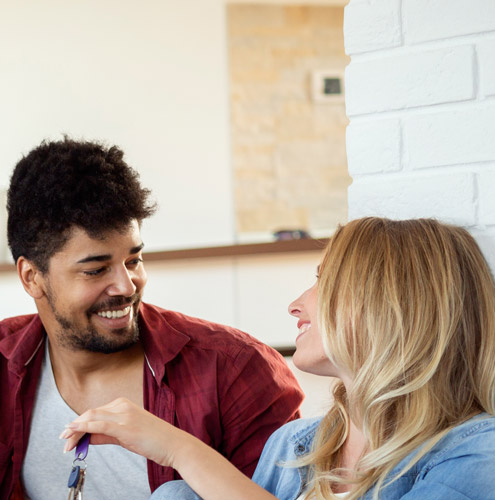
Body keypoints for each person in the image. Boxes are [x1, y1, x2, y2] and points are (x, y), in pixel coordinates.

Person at [62, 217, 495, 499]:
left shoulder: (478, 454)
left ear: (394, 304)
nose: (296, 304)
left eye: (324, 281)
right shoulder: (294, 446)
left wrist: (180, 449)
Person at [0, 137, 304, 500]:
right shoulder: (5, 363)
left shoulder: (235, 369)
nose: (127, 286)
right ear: (32, 278)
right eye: (96, 270)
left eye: (133, 260)